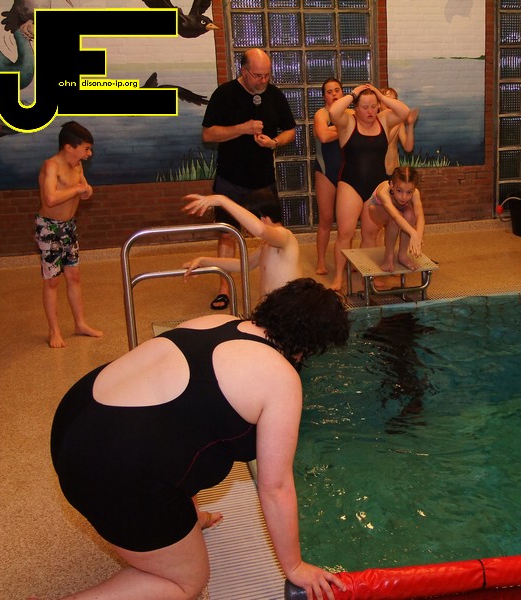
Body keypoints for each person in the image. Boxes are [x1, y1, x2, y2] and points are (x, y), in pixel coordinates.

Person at [50, 278, 350, 600]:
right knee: (188, 583)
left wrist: (190, 519)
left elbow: (179, 427)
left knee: (171, 434)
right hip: (105, 468)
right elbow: (275, 487)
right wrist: (294, 566)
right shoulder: (281, 379)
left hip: (74, 421)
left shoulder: (217, 321)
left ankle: (181, 522)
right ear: (311, 346)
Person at [202, 48, 296, 310]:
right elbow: (208, 135)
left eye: (267, 75)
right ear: (243, 71)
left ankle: (278, 287)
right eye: (257, 75)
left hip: (263, 179)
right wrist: (242, 128)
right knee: (227, 234)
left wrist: (275, 142)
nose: (263, 81)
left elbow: (290, 130)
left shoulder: (274, 95)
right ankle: (225, 288)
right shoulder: (225, 94)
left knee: (274, 233)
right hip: (230, 177)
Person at [327, 84, 410, 290]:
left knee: (371, 234)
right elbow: (334, 112)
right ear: (355, 107)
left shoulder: (384, 120)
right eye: (365, 107)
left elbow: (404, 111)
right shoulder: (347, 122)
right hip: (350, 185)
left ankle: (371, 277)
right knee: (345, 233)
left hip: (377, 185)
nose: (370, 111)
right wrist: (353, 94)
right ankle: (338, 277)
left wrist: (380, 95)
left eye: (374, 106)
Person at [35, 121, 102, 348]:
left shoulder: (77, 166)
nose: (89, 154)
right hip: (49, 228)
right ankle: (53, 330)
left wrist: (87, 191)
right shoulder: (51, 166)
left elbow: (85, 188)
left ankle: (80, 324)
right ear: (69, 147)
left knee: (74, 276)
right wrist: (77, 190)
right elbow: (50, 199)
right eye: (86, 149)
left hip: (69, 227)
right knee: (52, 280)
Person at [182, 191, 302, 299]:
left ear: (262, 219)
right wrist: (203, 261)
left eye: (245, 223)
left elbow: (260, 230)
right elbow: (243, 265)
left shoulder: (285, 236)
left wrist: (222, 200)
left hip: (289, 309)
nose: (244, 228)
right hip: (273, 309)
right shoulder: (266, 244)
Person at [360, 166, 425, 273]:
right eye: (399, 191)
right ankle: (388, 255)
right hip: (377, 208)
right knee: (395, 219)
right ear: (391, 185)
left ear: (414, 189)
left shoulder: (415, 193)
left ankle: (402, 256)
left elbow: (420, 215)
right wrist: (413, 233)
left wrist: (418, 235)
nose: (404, 197)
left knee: (410, 215)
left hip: (398, 210)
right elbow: (395, 216)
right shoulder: (383, 192)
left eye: (409, 192)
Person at [313, 77, 346, 275]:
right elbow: (324, 137)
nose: (334, 94)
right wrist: (344, 127)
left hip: (347, 170)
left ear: (343, 93)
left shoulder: (350, 113)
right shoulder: (321, 114)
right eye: (329, 91)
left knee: (346, 223)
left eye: (337, 90)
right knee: (326, 219)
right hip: (326, 171)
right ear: (324, 96)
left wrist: (335, 128)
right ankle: (320, 262)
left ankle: (347, 260)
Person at [380, 87, 419, 175]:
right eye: (387, 99)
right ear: (379, 103)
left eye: (394, 100)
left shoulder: (399, 123)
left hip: (394, 171)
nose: (391, 103)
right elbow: (385, 142)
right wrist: (399, 121)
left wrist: (410, 125)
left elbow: (408, 148)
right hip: (378, 173)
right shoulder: (376, 122)